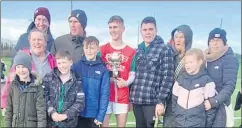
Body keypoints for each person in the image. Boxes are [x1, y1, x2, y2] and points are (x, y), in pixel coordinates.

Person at [129, 16, 174, 128]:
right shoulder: (138, 51)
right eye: (145, 30)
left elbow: (168, 77)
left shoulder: (164, 49)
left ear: (156, 30)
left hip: (152, 102)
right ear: (141, 31)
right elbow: (134, 75)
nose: (148, 33)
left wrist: (160, 101)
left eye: (150, 29)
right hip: (137, 99)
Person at [1, 28, 56, 109]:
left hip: (48, 107)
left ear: (45, 42)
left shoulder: (53, 60)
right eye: (34, 40)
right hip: (26, 108)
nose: (36, 42)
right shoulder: (22, 57)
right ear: (30, 42)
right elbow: (10, 81)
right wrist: (5, 104)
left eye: (40, 40)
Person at [99, 15, 136, 127]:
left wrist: (126, 83)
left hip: (122, 95)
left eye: (115, 27)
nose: (112, 30)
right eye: (110, 27)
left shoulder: (131, 52)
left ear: (123, 29)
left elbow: (132, 74)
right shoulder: (102, 50)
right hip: (105, 94)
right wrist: (106, 79)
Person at [172, 48, 216, 127]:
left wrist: (208, 125)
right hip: (179, 123)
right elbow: (174, 100)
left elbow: (210, 110)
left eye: (190, 62)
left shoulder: (207, 81)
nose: (187, 65)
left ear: (200, 62)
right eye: (186, 63)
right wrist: (177, 116)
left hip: (197, 124)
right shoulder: (180, 79)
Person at [72, 36, 110, 128]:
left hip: (94, 115)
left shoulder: (103, 70)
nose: (89, 51)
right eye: (86, 48)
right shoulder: (76, 67)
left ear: (97, 49)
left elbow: (104, 95)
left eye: (92, 48)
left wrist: (101, 116)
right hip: (77, 113)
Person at [204, 28, 239, 127]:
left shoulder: (230, 59)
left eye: (218, 40)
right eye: (212, 40)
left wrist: (214, 101)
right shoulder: (204, 58)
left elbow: (229, 86)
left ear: (224, 43)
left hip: (220, 107)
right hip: (203, 106)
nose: (215, 43)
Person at [42, 49, 85, 127]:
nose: (62, 66)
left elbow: (80, 102)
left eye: (64, 62)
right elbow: (43, 96)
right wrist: (52, 112)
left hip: (69, 124)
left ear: (70, 62)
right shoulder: (49, 77)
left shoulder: (77, 80)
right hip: (50, 123)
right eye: (59, 63)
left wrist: (66, 115)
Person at [5, 52, 46, 127]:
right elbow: (9, 110)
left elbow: (41, 114)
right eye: (18, 67)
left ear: (29, 68)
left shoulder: (37, 87)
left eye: (24, 66)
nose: (21, 70)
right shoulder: (13, 86)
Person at [163, 24, 193, 127]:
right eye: (176, 37)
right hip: (171, 102)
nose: (178, 40)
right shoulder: (171, 56)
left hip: (186, 104)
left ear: (187, 39)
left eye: (181, 37)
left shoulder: (192, 58)